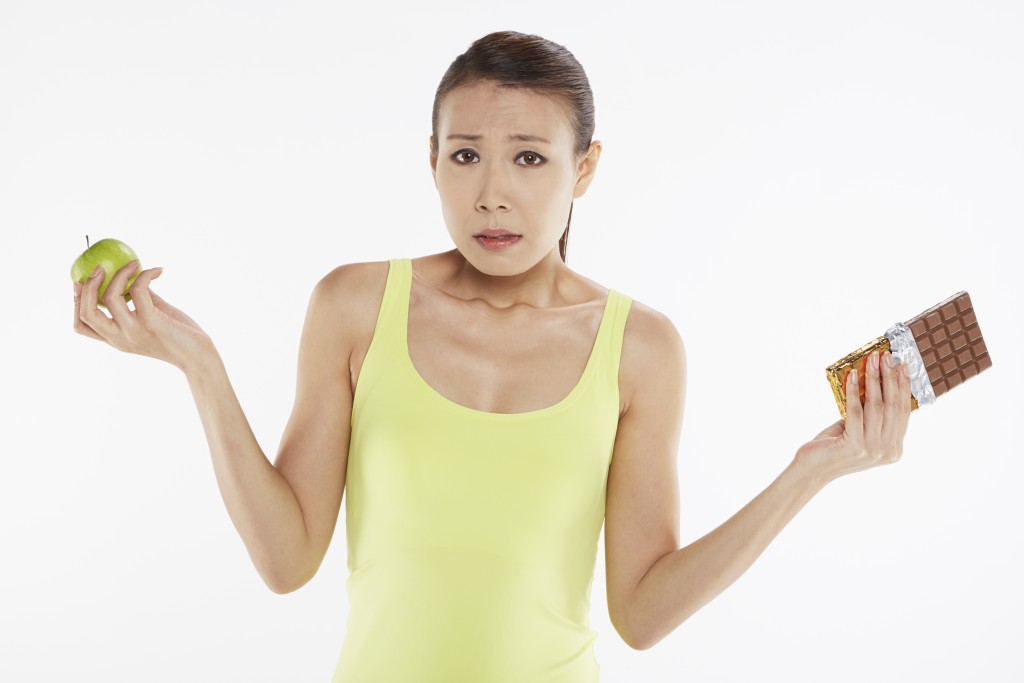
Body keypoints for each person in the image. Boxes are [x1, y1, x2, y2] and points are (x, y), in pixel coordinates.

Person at [72, 30, 912, 683]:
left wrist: (813, 468)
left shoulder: (640, 347)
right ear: (431, 160)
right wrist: (200, 365)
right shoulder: (353, 306)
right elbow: (287, 562)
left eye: (531, 158)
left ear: (584, 170)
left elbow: (643, 612)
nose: (492, 193)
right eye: (466, 154)